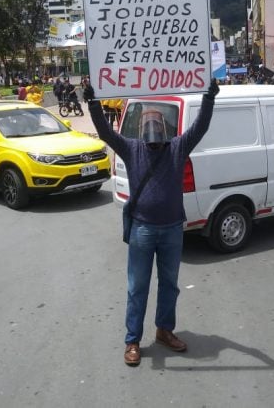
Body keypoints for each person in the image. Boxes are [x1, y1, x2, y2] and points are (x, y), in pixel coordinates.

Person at [83, 79, 218, 367]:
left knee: (169, 284)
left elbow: (200, 128)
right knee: (137, 286)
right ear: (141, 128)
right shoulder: (132, 149)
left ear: (165, 126)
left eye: (157, 121)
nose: (153, 127)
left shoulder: (177, 148)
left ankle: (164, 331)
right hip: (143, 229)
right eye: (148, 121)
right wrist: (94, 103)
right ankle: (132, 340)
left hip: (171, 229)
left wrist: (208, 98)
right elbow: (106, 132)